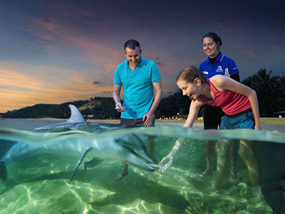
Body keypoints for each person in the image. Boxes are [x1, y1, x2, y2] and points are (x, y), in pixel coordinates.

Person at [159, 65, 261, 190]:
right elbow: (186, 128)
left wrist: (257, 124)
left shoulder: (218, 81)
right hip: (228, 118)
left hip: (245, 114)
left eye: (185, 88)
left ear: (197, 81)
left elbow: (251, 93)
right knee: (220, 149)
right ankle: (216, 185)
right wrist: (172, 154)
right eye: (182, 90)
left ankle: (256, 190)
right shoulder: (197, 101)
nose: (184, 93)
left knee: (244, 152)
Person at [113, 39, 163, 181]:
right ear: (125, 54)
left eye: (136, 55)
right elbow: (115, 91)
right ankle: (124, 169)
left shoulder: (151, 65)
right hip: (127, 114)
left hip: (146, 115)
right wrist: (117, 102)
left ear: (141, 52)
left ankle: (150, 171)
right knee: (124, 145)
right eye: (130, 56)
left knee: (148, 145)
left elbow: (159, 91)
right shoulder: (119, 69)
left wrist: (151, 112)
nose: (133, 59)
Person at [199, 32, 241, 181]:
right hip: (210, 108)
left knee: (229, 140)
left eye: (210, 44)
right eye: (204, 45)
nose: (207, 47)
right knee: (209, 140)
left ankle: (232, 171)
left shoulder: (229, 62)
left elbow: (237, 86)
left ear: (218, 43)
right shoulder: (202, 66)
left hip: (227, 108)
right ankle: (209, 168)